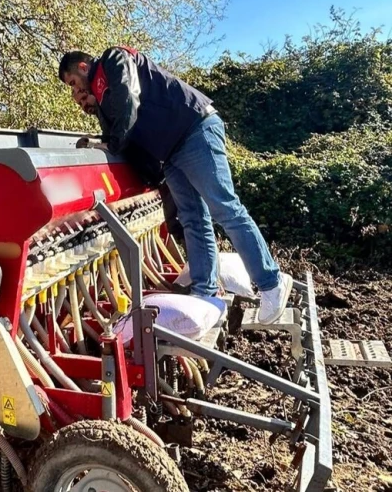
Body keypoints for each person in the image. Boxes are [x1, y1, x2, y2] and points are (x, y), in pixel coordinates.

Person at [58, 47, 292, 324]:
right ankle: (204, 293)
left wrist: (113, 142)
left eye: (73, 82)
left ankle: (271, 283)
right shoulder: (101, 96)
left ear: (83, 67)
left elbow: (128, 99)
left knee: (225, 208)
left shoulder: (114, 60)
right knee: (193, 219)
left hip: (193, 130)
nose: (75, 90)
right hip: (169, 151)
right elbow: (115, 135)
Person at [71, 91, 184, 243]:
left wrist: (99, 144)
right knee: (179, 224)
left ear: (93, 92)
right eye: (80, 104)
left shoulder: (113, 105)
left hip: (164, 170)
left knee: (181, 223)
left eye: (84, 98)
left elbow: (123, 136)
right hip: (156, 175)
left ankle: (198, 264)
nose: (84, 105)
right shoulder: (105, 113)